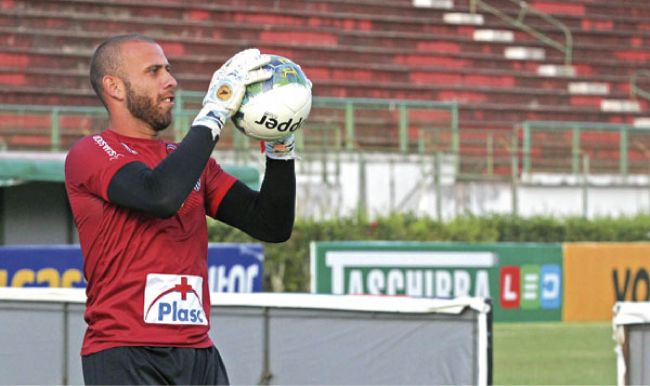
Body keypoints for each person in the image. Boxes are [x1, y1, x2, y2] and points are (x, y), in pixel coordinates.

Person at [64, 34, 301, 385]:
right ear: (114, 86)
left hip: (197, 353)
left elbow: (271, 224)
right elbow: (159, 196)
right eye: (154, 71)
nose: (170, 80)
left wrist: (281, 145)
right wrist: (215, 112)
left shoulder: (187, 162)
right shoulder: (91, 152)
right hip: (125, 352)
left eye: (169, 70)